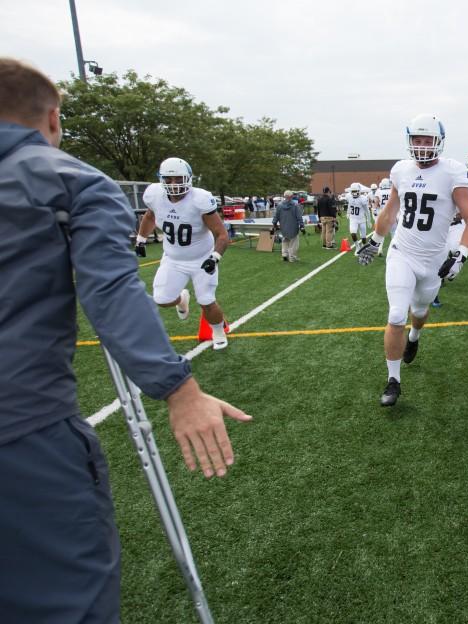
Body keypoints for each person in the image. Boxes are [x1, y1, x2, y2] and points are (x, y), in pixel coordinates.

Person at [0, 57, 250, 623]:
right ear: (54, 119)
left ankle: (216, 326)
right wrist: (178, 390)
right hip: (21, 428)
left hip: (197, 257)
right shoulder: (67, 179)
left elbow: (219, 232)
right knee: (63, 601)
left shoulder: (198, 198)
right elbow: (110, 294)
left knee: (201, 298)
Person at [356, 113, 468, 407]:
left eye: (427, 140)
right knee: (396, 313)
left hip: (433, 259)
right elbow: (390, 211)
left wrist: (460, 255)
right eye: (417, 140)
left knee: (420, 311)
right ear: (409, 141)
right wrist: (375, 239)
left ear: (438, 142)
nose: (422, 146)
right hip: (403, 253)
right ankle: (393, 380)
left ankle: (414, 335)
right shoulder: (401, 170)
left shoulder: (452, 172)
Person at [136, 157, 231, 350]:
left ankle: (218, 332)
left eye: (178, 179)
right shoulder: (154, 195)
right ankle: (182, 299)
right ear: (161, 180)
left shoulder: (200, 199)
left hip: (201, 258)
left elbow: (221, 234)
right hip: (173, 259)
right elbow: (150, 216)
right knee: (161, 299)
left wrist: (215, 257)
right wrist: (140, 239)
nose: (174, 184)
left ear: (188, 178)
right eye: (169, 180)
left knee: (206, 299)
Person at [272, 190, 304, 262]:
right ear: (291, 196)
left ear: (284, 196)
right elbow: (299, 217)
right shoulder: (295, 205)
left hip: (283, 226)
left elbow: (276, 216)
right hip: (293, 227)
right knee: (294, 242)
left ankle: (285, 254)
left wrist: (274, 224)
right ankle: (292, 257)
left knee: (285, 241)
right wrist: (302, 225)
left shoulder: (279, 205)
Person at [346, 182, 371, 248]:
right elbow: (349, 205)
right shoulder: (349, 197)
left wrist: (369, 220)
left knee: (363, 237)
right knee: (353, 233)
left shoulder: (363, 198)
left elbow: (367, 210)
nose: (354, 193)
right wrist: (348, 212)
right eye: (353, 191)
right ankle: (357, 247)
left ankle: (363, 246)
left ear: (359, 191)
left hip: (362, 219)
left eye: (355, 191)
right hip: (353, 219)